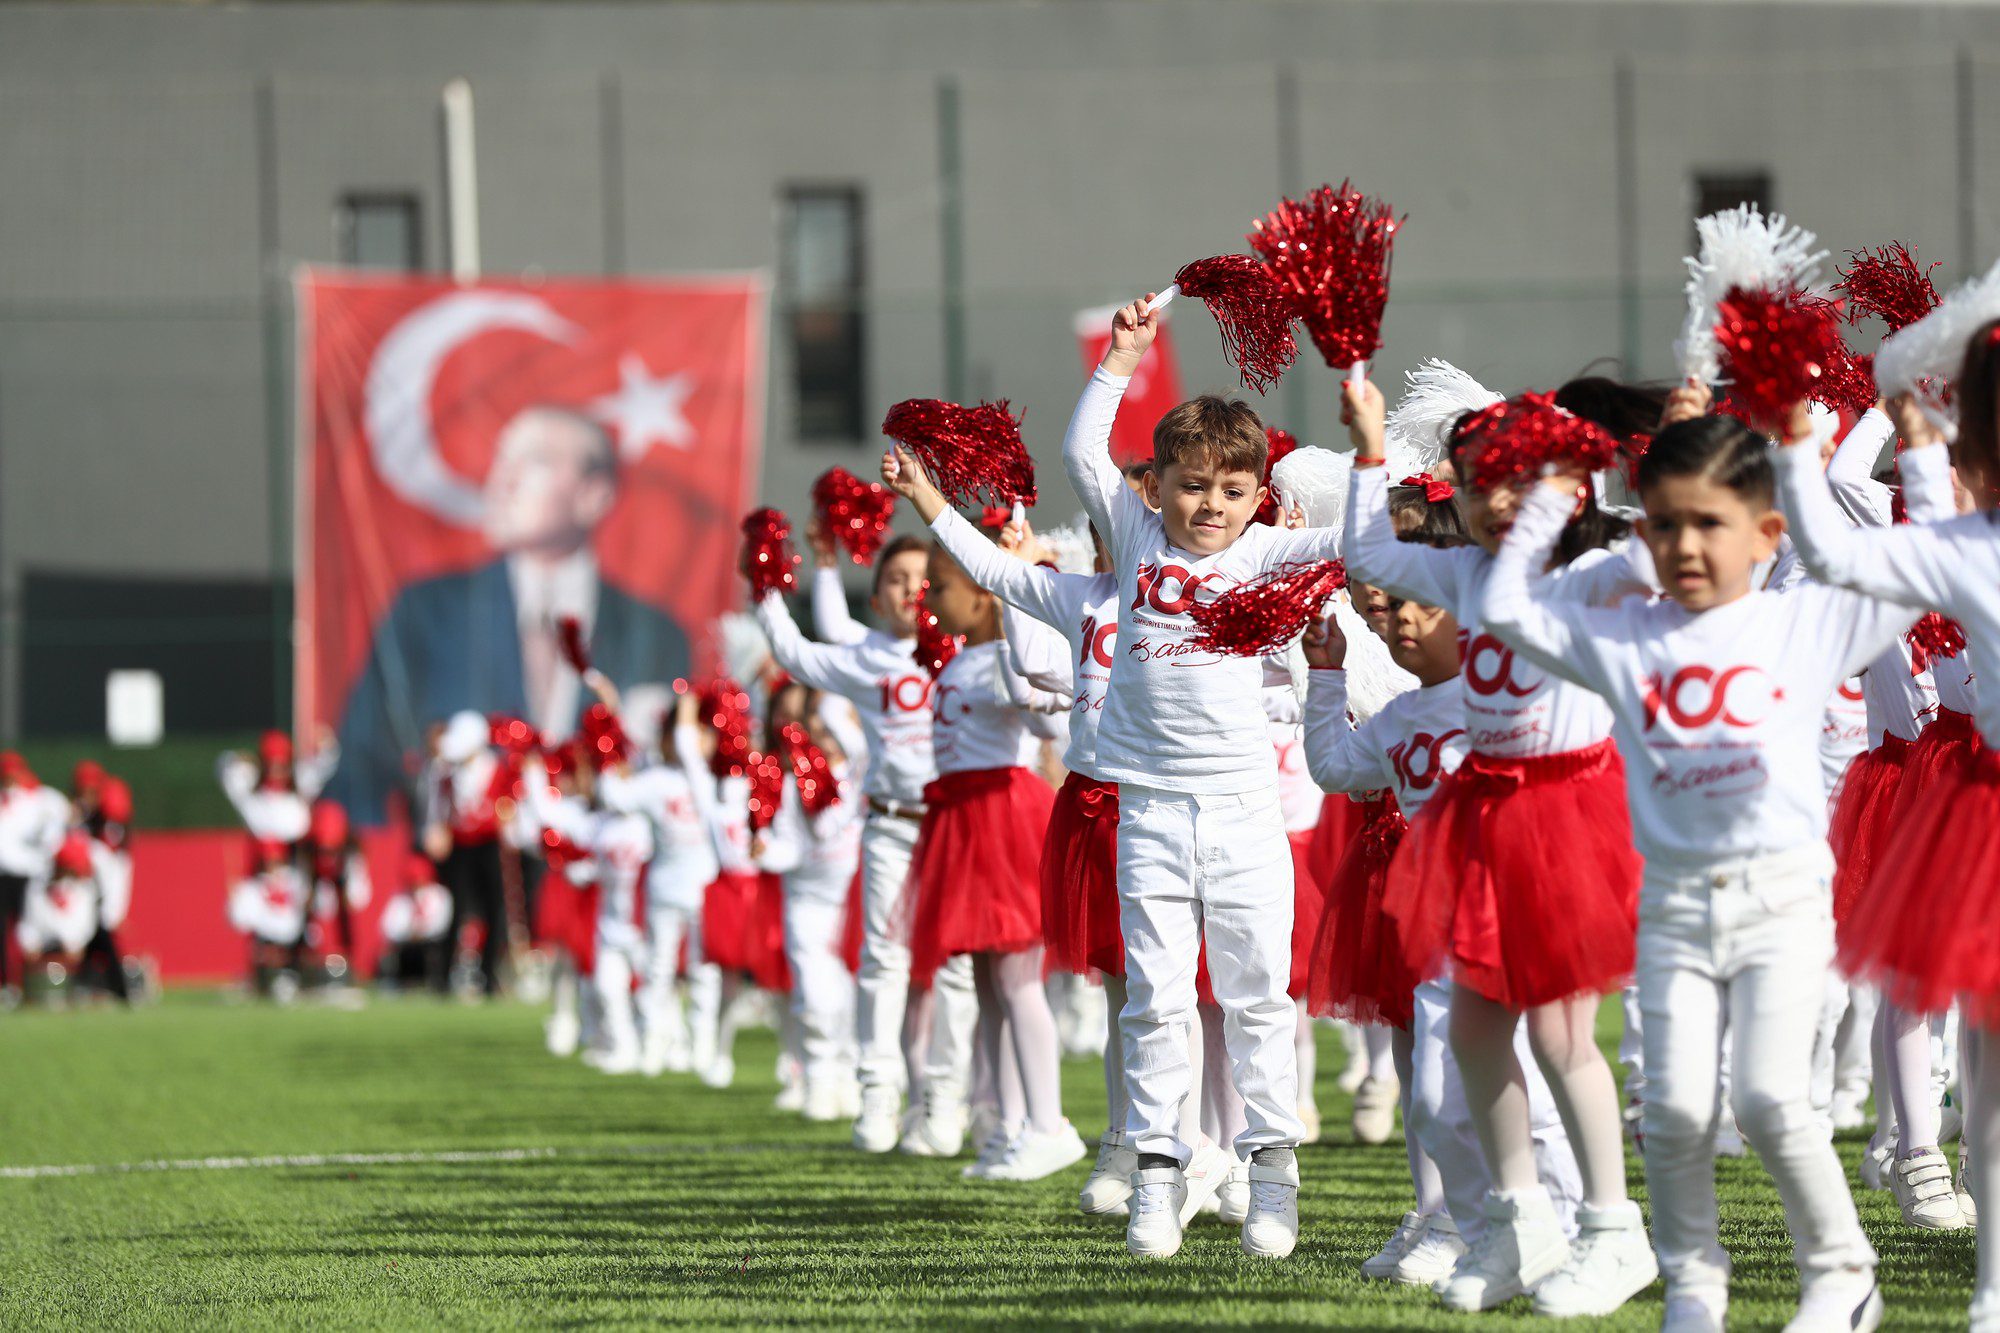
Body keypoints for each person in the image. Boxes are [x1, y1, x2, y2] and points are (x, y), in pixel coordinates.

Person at [1485, 403, 1917, 1332]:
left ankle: (1844, 1275)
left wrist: (1817, 454)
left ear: (1767, 534)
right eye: (1666, 523)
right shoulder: (1624, 637)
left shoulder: (1804, 623)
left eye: (1710, 523)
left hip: (1784, 902)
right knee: (1674, 1112)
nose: (1686, 544)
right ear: (1642, 529)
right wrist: (1548, 500)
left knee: (1767, 1096)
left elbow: (1904, 569)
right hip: (1675, 908)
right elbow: (1504, 608)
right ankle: (1693, 1286)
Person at [1342, 377, 1654, 1315]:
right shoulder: (1467, 573)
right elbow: (1369, 550)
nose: (1491, 503)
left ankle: (1612, 1228)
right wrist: (1366, 448)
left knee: (1563, 1036)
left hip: (1566, 812)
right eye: (1478, 484)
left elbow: (1665, 558)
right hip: (1483, 813)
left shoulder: (1590, 573)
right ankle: (1519, 1222)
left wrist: (1630, 468)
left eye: (1513, 482)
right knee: (1475, 1032)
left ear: (1564, 483)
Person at [1063, 297, 1360, 1261]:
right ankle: (1160, 1170)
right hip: (1147, 806)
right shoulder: (1140, 534)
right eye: (1191, 486)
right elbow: (1081, 451)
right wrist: (1120, 360)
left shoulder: (1272, 550)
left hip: (1245, 811)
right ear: (1156, 489)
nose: (1210, 506)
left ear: (1258, 495)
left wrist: (1372, 440)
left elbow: (1370, 535)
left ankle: (1269, 1172)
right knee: (1153, 995)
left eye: (1232, 490)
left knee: (1256, 994)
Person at [1770, 318, 2000, 1333]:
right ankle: (1931, 1177)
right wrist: (1876, 412)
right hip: (1958, 791)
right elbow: (1829, 522)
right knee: (1947, 1015)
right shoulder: (1941, 540)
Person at [329, 405, 691, 821]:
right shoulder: (427, 614)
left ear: (595, 495)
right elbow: (359, 770)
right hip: (462, 873)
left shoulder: (654, 635)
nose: (503, 480)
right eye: (502, 459)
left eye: (535, 461)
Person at [752, 530, 974, 1157]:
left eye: (922, 577)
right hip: (890, 825)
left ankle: (944, 1098)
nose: (912, 590)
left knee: (956, 966)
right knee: (884, 958)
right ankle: (878, 1091)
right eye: (897, 580)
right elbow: (796, 654)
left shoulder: (967, 649)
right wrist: (765, 586)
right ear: (876, 597)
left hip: (955, 827)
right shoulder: (866, 656)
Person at [756, 692, 866, 1121]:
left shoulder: (863, 775)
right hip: (807, 900)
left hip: (855, 900)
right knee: (817, 995)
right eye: (816, 726)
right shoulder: (788, 781)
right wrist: (765, 851)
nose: (825, 734)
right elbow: (790, 846)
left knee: (854, 996)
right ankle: (819, 1077)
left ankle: (852, 1077)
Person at [0, 755, 71, 999]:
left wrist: (43, 854)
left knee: (28, 931)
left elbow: (60, 819)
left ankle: (29, 983)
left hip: (28, 875)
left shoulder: (36, 800)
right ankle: (7, 985)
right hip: (3, 874)